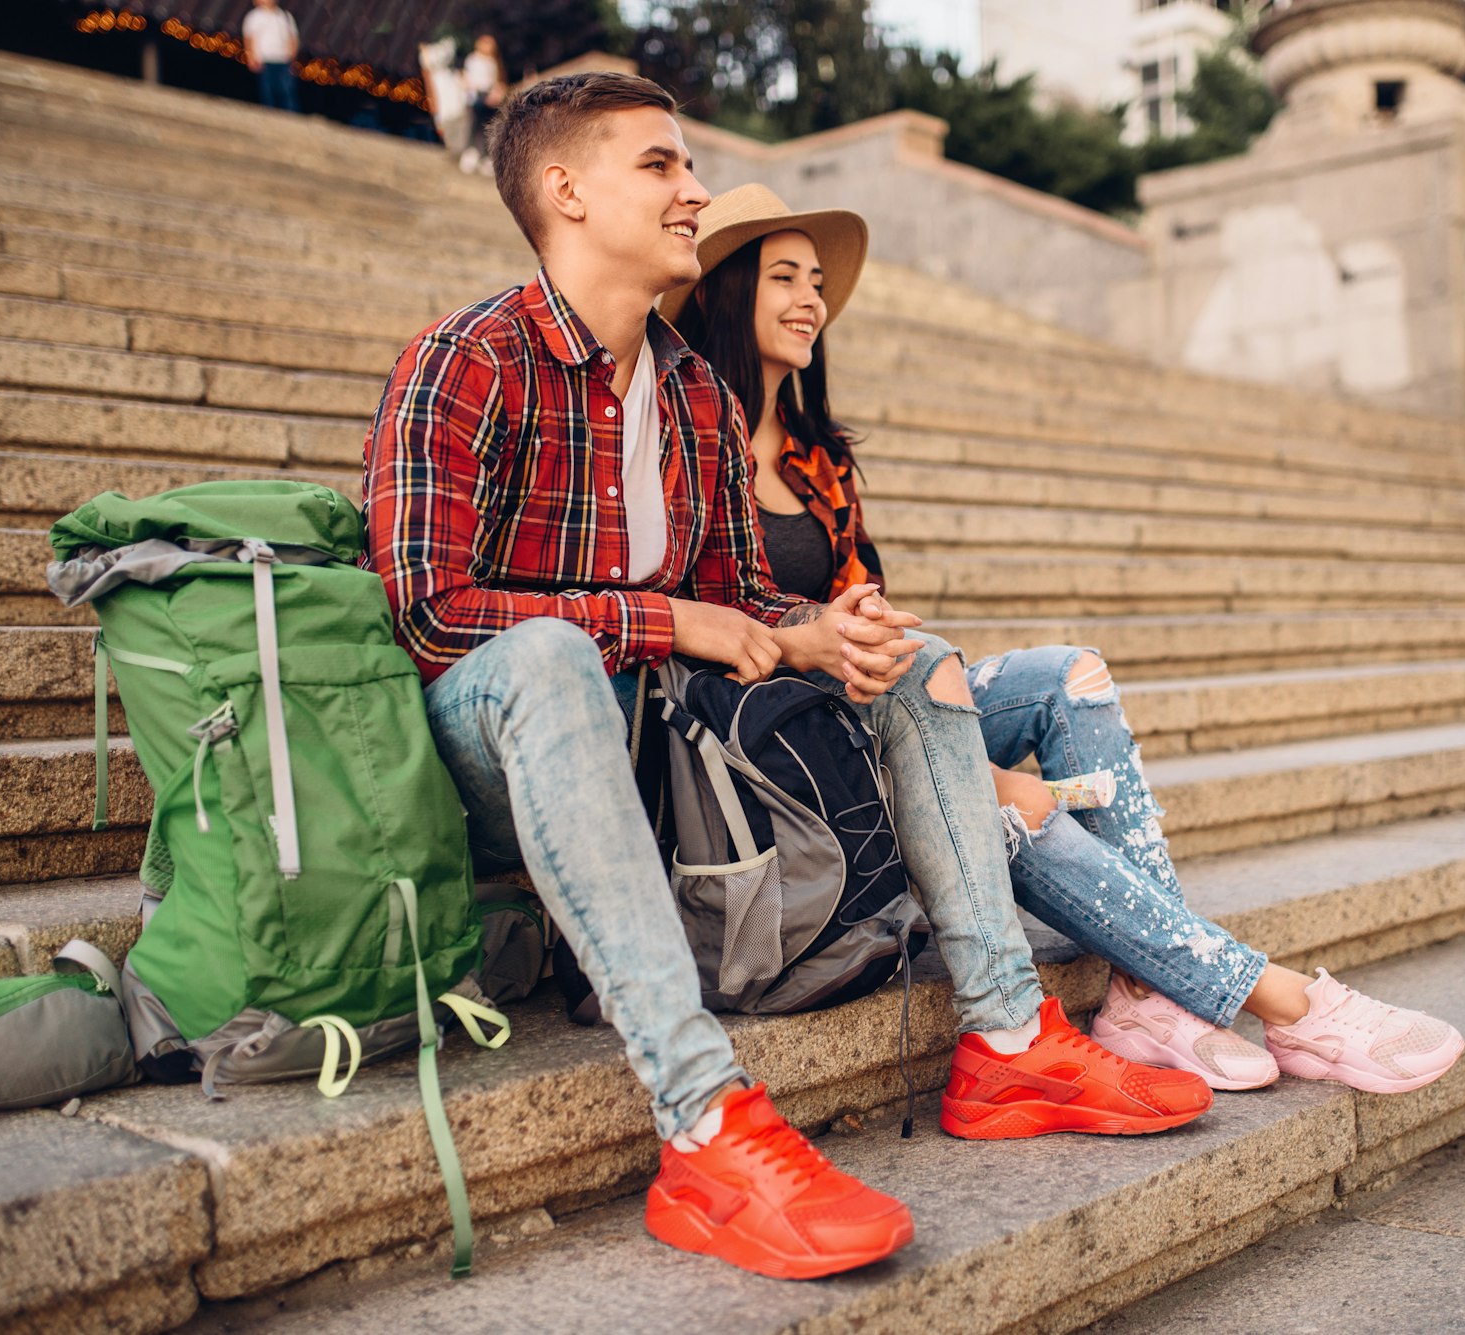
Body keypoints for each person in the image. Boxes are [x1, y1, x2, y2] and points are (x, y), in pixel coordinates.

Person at [362, 73, 1212, 1283]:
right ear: (564, 190)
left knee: (914, 659)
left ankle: (1010, 1039)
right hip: (496, 756)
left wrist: (818, 632)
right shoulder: (470, 362)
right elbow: (430, 615)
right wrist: (671, 621)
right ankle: (702, 1120)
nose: (692, 190)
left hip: (661, 756)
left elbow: (739, 605)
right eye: (659, 165)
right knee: (548, 655)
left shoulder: (696, 396)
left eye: (687, 166)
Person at [662, 185, 1465, 1098]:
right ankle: (1281, 999)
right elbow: (720, 640)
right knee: (1011, 807)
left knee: (1070, 676)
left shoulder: (818, 452)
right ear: (729, 289)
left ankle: (1143, 993)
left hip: (884, 695)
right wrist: (968, 760)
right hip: (790, 756)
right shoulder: (689, 443)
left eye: (816, 279)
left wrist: (938, 695)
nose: (811, 297)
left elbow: (872, 606)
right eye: (783, 277)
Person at [241, 0, 300, 114]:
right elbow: (249, 39)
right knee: (267, 92)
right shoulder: (254, 17)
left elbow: (293, 38)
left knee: (286, 91)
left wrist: (292, 55)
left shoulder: (285, 16)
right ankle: (269, 115)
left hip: (282, 60)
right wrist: (251, 58)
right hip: (265, 59)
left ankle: (290, 117)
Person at [463, 35, 507, 172]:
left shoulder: (493, 62)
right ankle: (472, 153)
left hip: (490, 98)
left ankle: (485, 157)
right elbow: (470, 81)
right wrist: (486, 93)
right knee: (476, 126)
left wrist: (496, 92)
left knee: (488, 127)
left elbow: (495, 82)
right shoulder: (473, 60)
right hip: (477, 98)